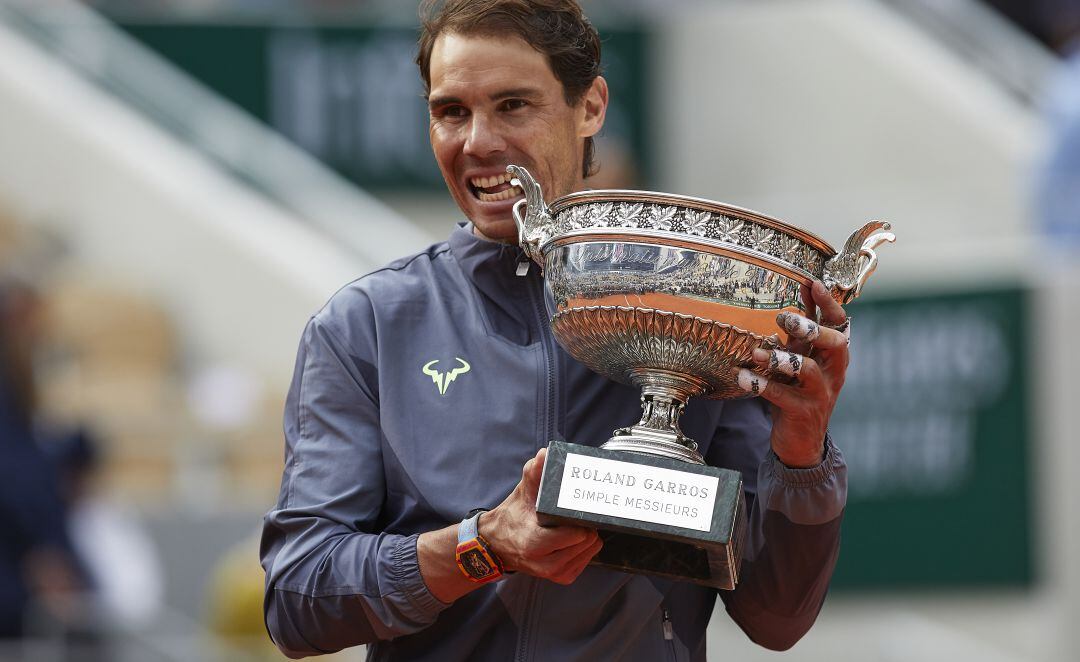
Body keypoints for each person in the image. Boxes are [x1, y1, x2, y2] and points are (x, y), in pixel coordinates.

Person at [261, 1, 850, 659]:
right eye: (451, 111)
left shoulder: (699, 316)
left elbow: (778, 619)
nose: (478, 141)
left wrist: (803, 453)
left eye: (513, 105)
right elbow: (297, 601)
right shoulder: (366, 326)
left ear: (590, 107)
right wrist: (482, 545)